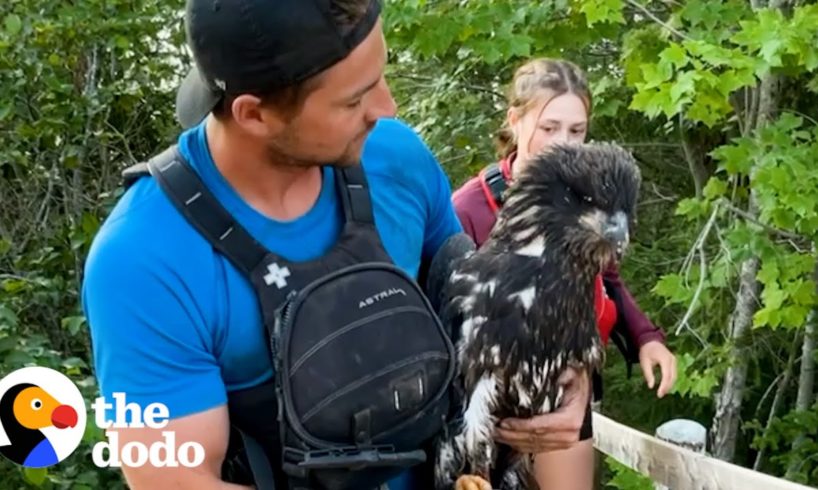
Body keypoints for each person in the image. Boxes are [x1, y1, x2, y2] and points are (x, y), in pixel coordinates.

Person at [81, 4, 594, 490]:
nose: (386, 108)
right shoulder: (144, 261)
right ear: (254, 114)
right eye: (354, 99)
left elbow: (484, 309)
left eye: (380, 76)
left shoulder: (395, 158)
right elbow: (173, 480)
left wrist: (566, 385)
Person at [452, 57, 678, 490]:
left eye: (576, 130)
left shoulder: (590, 198)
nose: (565, 142)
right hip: (487, 399)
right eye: (550, 127)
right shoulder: (470, 206)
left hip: (564, 376)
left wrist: (646, 338)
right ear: (515, 121)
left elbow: (607, 278)